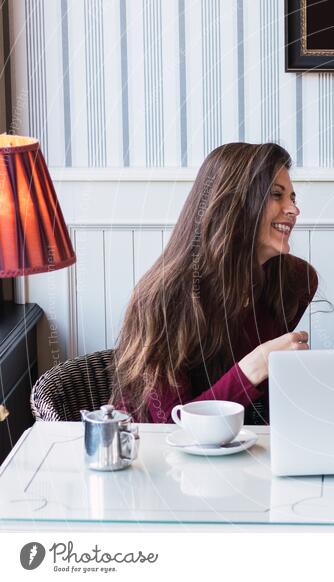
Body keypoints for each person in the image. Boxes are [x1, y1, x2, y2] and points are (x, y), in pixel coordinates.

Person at [112, 142, 316, 423]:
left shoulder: (295, 283)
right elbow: (173, 423)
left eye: (292, 197)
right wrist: (255, 366)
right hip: (155, 454)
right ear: (236, 205)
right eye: (276, 195)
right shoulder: (163, 299)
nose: (293, 209)